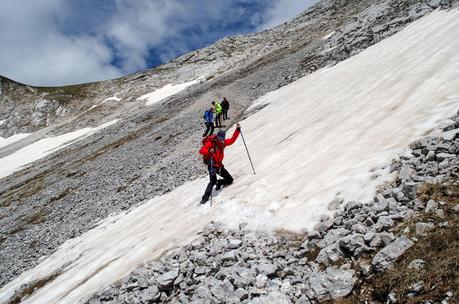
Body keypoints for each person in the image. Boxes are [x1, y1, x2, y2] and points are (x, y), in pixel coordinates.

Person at [199, 123, 241, 204]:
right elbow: (201, 150)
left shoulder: (223, 142)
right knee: (212, 181)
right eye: (220, 138)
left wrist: (237, 130)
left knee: (230, 180)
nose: (221, 140)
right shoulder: (211, 143)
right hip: (212, 165)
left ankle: (219, 182)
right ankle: (204, 198)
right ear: (217, 137)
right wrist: (209, 151)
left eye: (222, 138)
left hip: (219, 165)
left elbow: (232, 140)